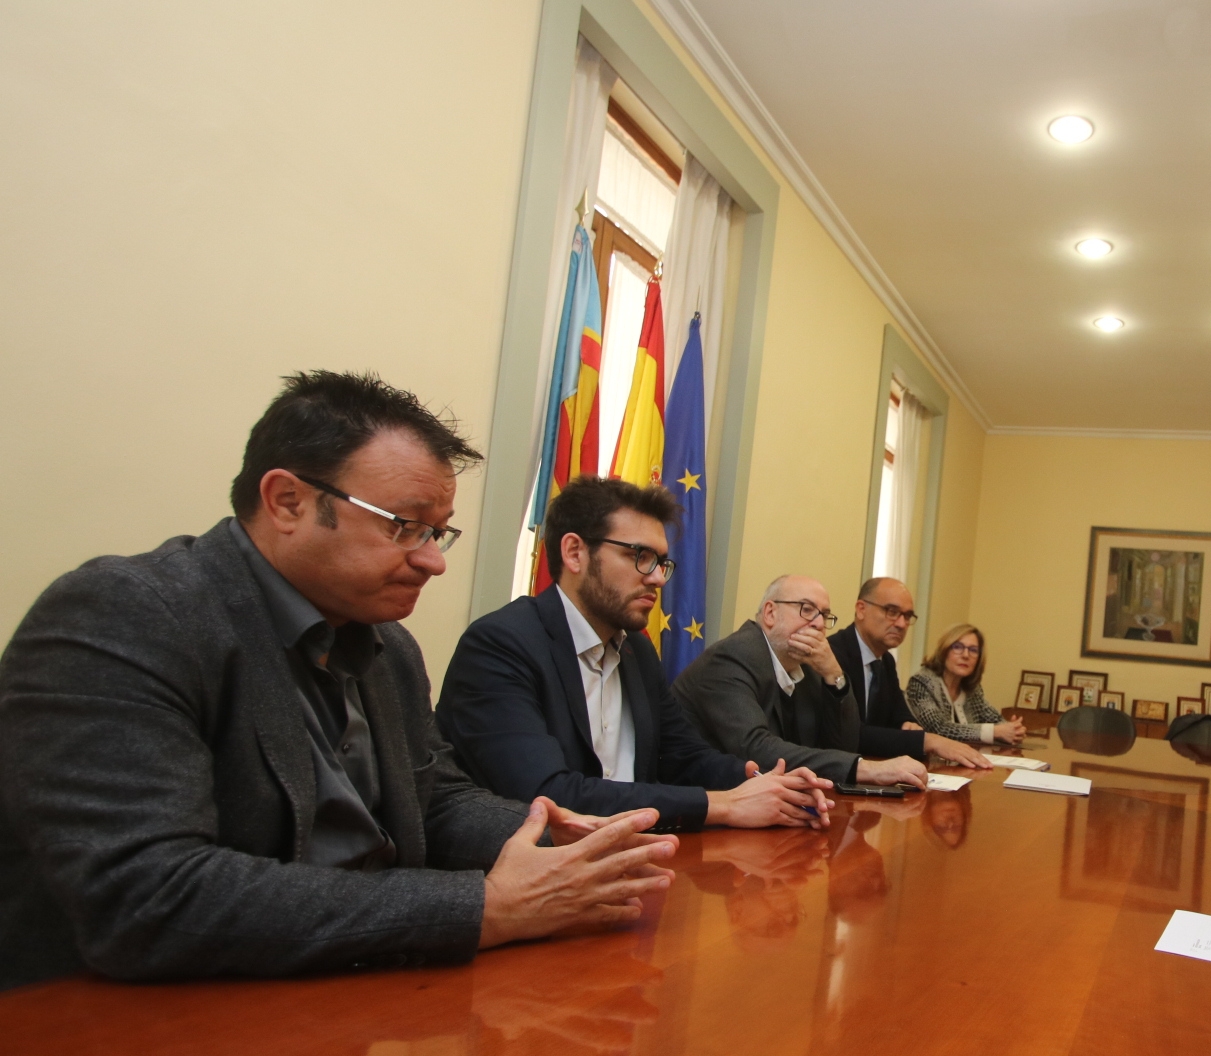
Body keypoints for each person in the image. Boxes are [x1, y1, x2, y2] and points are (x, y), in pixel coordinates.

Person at [0, 371, 675, 991]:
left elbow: (435, 802)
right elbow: (145, 895)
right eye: (405, 526)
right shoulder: (127, 614)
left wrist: (557, 838)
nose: (432, 563)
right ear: (287, 501)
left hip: (341, 997)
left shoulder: (389, 648)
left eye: (438, 534)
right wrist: (484, 908)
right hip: (125, 1029)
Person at [437, 476, 832, 831]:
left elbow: (683, 756)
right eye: (639, 556)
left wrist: (766, 783)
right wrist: (723, 805)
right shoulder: (501, 644)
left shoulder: (636, 650)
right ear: (575, 553)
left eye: (661, 562)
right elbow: (547, 795)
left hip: (636, 857)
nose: (658, 578)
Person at [672, 575, 927, 790]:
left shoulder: (805, 666)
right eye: (806, 610)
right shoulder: (733, 657)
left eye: (824, 615)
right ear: (770, 613)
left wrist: (834, 674)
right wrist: (866, 769)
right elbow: (756, 749)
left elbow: (844, 746)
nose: (819, 624)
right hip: (699, 803)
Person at [827, 577, 992, 766]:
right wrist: (927, 741)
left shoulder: (886, 660)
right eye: (892, 612)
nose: (901, 624)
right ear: (861, 609)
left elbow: (899, 714)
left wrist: (907, 724)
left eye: (907, 616)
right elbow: (850, 733)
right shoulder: (833, 656)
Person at [905, 624, 1026, 747]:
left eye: (973, 650)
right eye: (958, 647)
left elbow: (995, 720)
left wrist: (1013, 730)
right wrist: (994, 732)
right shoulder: (921, 682)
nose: (965, 655)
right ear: (944, 651)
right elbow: (938, 729)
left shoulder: (972, 689)